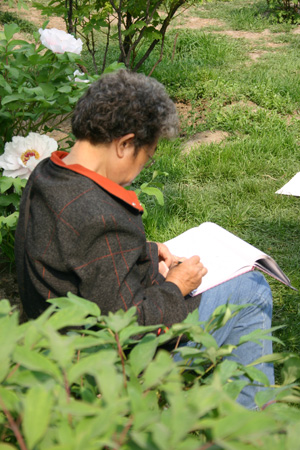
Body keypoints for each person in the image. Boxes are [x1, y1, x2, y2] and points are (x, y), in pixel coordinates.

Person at [15, 69, 274, 410]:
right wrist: (176, 286)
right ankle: (251, 429)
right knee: (252, 288)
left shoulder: (48, 172)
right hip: (102, 363)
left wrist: (147, 251)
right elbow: (130, 326)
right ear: (124, 144)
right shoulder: (100, 215)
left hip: (57, 333)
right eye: (146, 156)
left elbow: (76, 254)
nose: (140, 171)